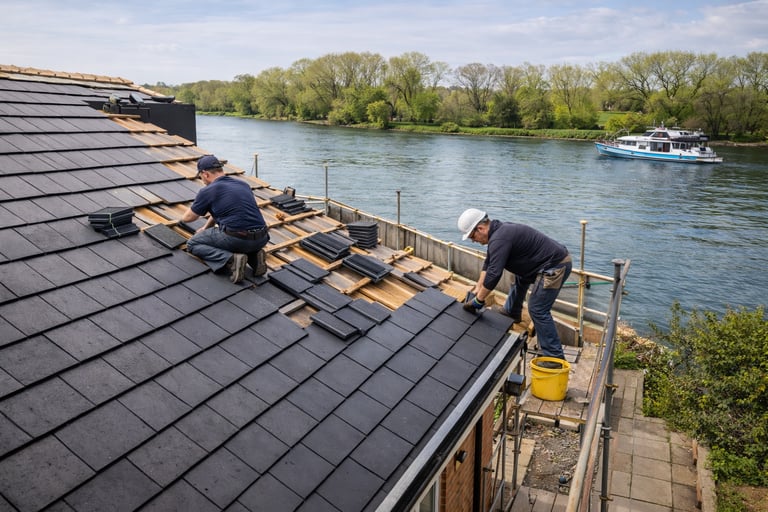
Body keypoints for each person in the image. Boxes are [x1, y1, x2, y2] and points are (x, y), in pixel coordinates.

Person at [457, 208, 572, 361]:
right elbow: (489, 263)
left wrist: (478, 301)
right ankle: (512, 311)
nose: (473, 240)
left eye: (473, 236)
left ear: (480, 228)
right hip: (540, 264)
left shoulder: (500, 238)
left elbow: (494, 274)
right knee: (519, 277)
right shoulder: (497, 234)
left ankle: (554, 357)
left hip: (554, 266)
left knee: (537, 309)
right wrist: (478, 287)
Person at [182, 155, 269, 283]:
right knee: (239, 236)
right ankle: (255, 257)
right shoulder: (243, 184)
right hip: (262, 238)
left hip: (238, 239)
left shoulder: (208, 190)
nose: (202, 180)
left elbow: (187, 218)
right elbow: (220, 212)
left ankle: (231, 260)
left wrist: (197, 204)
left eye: (200, 177)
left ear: (205, 174)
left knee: (193, 244)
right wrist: (206, 228)